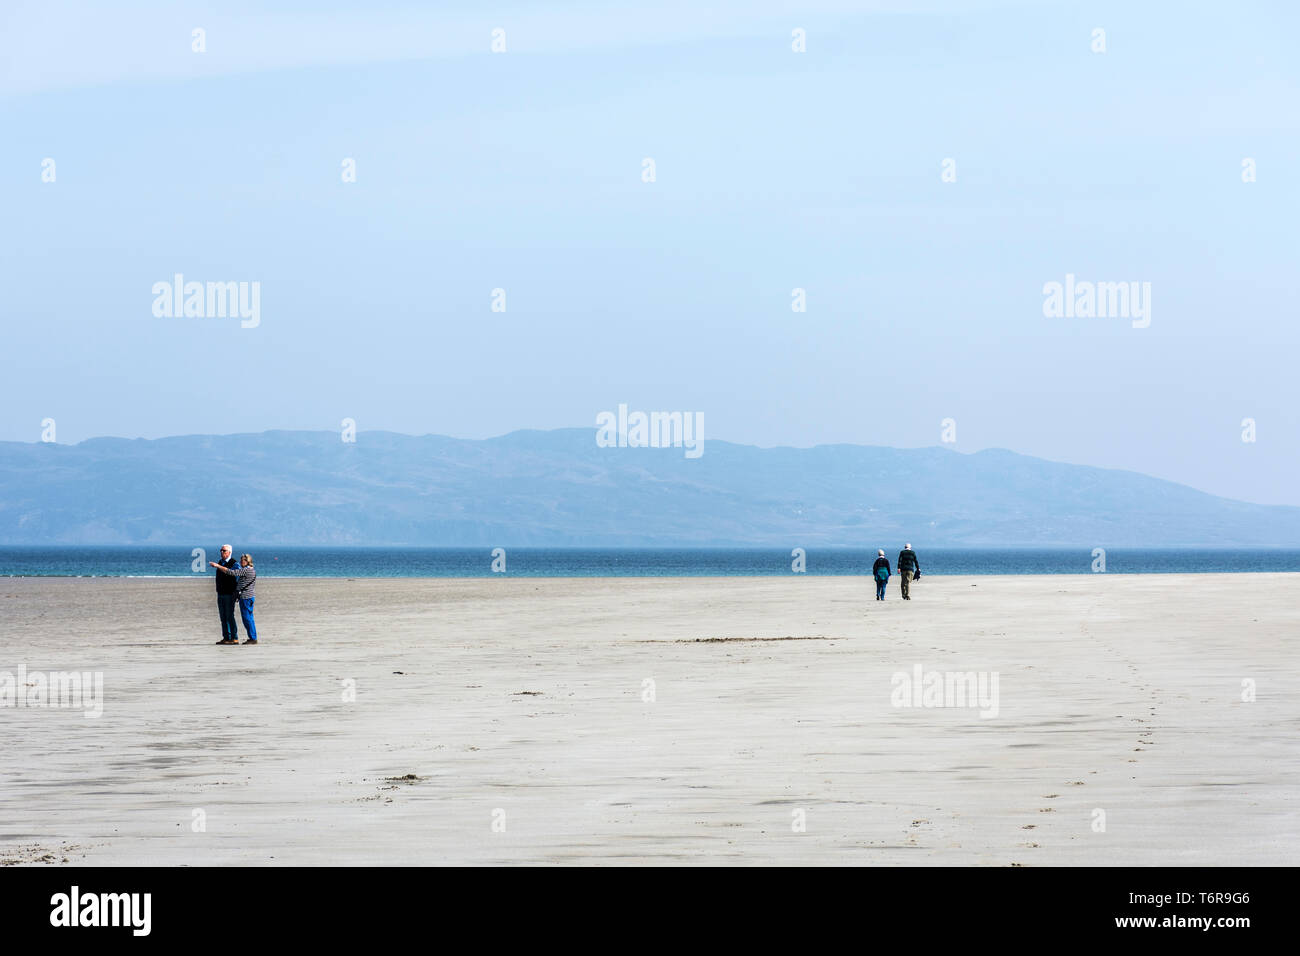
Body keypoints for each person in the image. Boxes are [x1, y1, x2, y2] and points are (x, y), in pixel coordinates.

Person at [210, 553, 258, 644]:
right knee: (249, 617)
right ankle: (252, 637)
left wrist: (217, 566)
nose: (240, 562)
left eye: (242, 560)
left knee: (247, 618)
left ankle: (252, 638)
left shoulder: (247, 570)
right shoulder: (251, 570)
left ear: (247, 561)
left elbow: (232, 572)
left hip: (246, 597)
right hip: (249, 597)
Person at [214, 545, 239, 644]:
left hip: (229, 594)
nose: (221, 552)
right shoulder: (220, 562)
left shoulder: (234, 563)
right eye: (221, 550)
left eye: (224, 551)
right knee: (223, 617)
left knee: (229, 616)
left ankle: (234, 637)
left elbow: (236, 576)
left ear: (229, 552)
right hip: (220, 593)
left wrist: (236, 592)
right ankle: (226, 637)